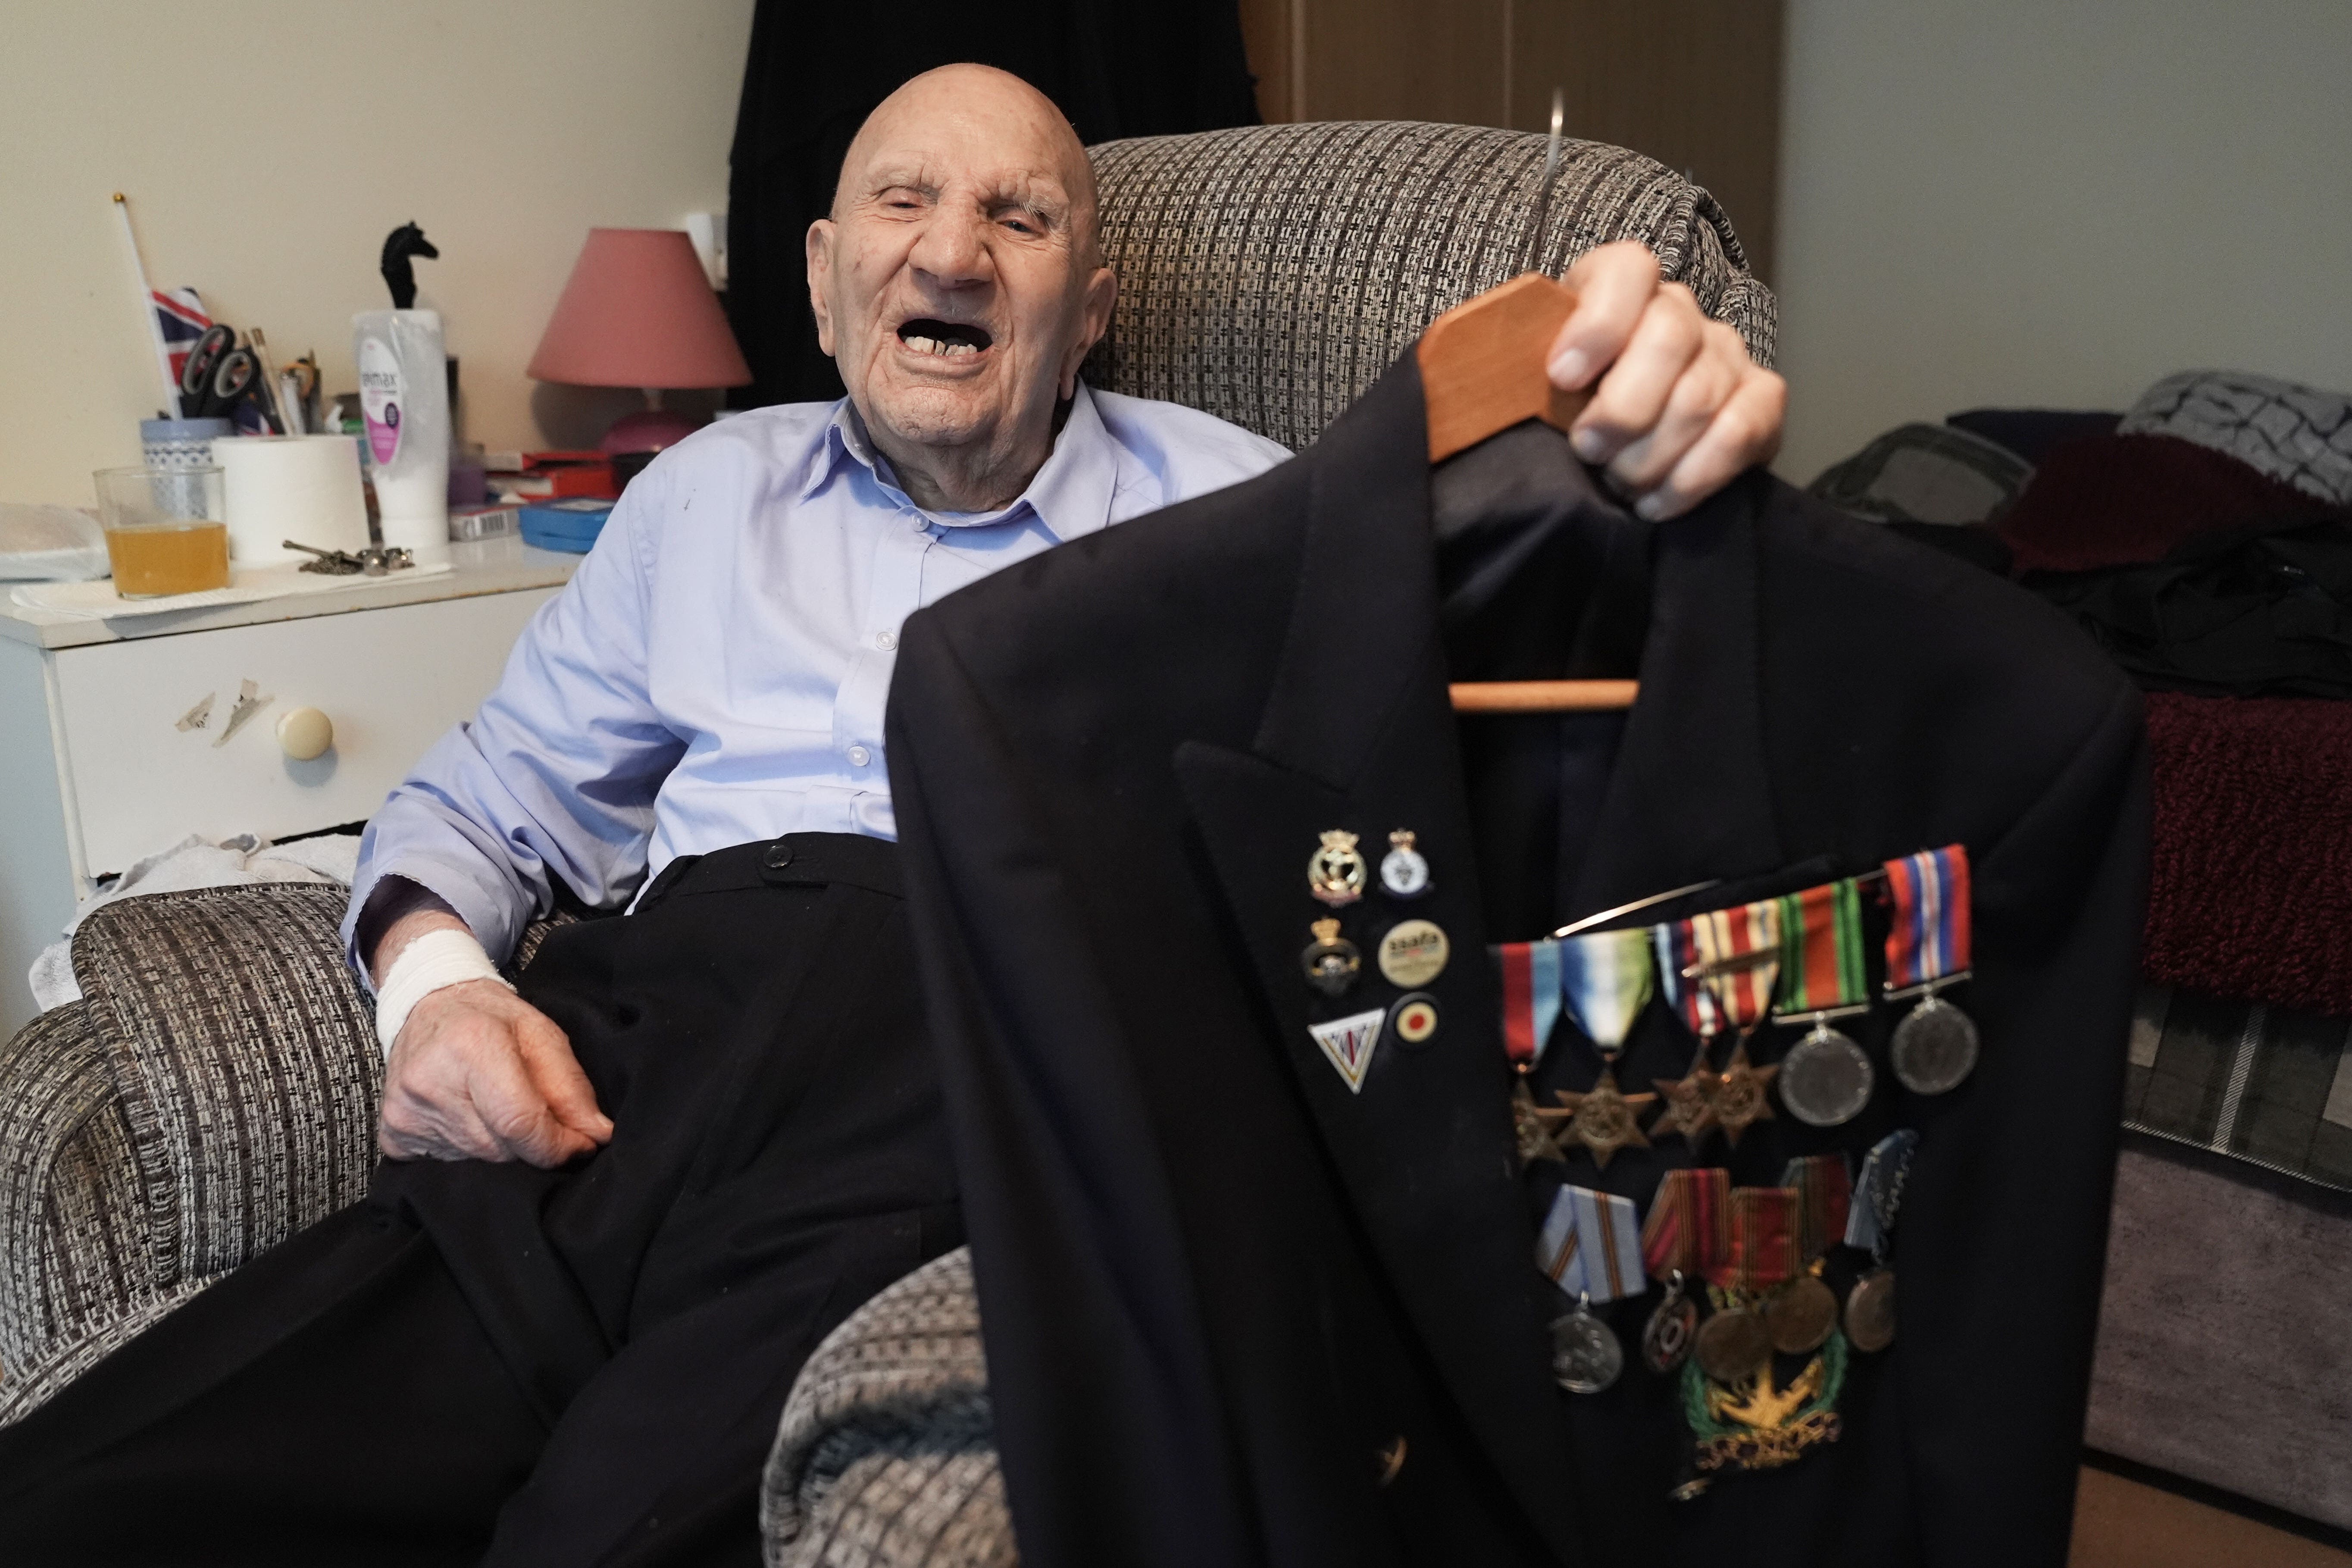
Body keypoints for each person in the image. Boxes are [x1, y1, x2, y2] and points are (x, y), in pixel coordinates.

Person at [0, 63, 1786, 1567]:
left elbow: (1534, 705)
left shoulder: (1250, 511)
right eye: (901, 204)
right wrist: (437, 985)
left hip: (971, 1051)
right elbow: (480, 799)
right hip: (628, 1057)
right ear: (824, 268)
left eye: (1019, 219)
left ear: (1087, 303)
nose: (950, 248)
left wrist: (1638, 461)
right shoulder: (701, 498)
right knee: (90, 1494)